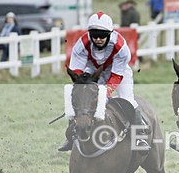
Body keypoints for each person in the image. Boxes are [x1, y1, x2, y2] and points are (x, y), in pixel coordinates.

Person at [59, 12, 142, 151]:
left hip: (118, 72)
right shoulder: (81, 45)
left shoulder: (121, 47)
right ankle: (71, 137)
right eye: (94, 34)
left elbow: (116, 75)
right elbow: (77, 72)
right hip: (93, 70)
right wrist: (84, 88)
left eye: (102, 35)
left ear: (110, 33)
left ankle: (140, 137)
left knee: (129, 101)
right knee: (80, 97)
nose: (98, 39)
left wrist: (105, 92)